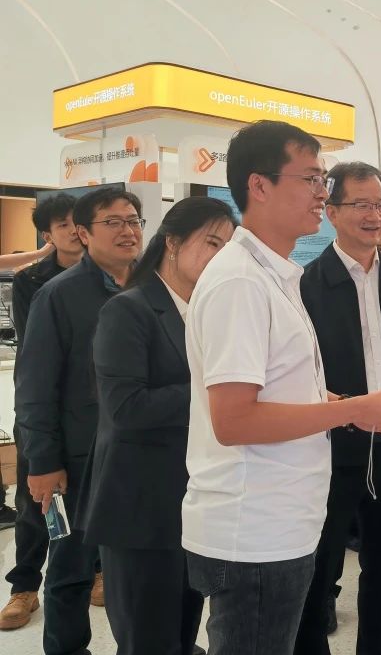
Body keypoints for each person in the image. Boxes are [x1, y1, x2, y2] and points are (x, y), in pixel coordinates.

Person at [181, 120, 381, 655]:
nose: (321, 193)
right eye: (312, 179)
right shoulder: (241, 282)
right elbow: (234, 420)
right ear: (259, 185)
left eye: (323, 181)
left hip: (284, 517)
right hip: (254, 528)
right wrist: (352, 411)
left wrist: (357, 406)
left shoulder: (277, 276)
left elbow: (288, 389)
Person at [84, 197, 237, 655]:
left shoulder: (208, 311)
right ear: (172, 242)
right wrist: (218, 394)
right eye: (211, 243)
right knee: (148, 640)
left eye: (228, 248)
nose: (220, 257)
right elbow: (126, 408)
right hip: (141, 509)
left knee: (184, 633)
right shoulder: (129, 310)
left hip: (194, 503)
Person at [293, 162, 381, 655]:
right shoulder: (306, 284)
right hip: (328, 450)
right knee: (318, 571)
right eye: (361, 205)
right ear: (332, 212)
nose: (374, 215)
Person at [15, 187, 144, 654]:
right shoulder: (58, 294)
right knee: (71, 568)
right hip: (78, 457)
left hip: (141, 453)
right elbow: (35, 385)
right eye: (113, 222)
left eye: (133, 220)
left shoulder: (153, 285)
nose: (128, 231)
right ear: (84, 234)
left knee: (138, 569)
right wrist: (43, 462)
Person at [1, 194, 83, 631]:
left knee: (91, 491)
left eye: (76, 222)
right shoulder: (31, 280)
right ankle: (25, 586)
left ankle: (96, 570)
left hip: (92, 407)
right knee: (35, 500)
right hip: (42, 402)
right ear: (47, 234)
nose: (72, 231)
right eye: (62, 224)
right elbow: (38, 348)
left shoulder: (113, 275)